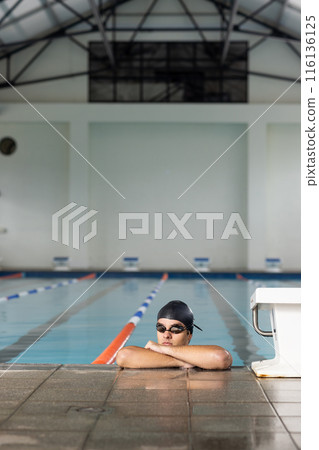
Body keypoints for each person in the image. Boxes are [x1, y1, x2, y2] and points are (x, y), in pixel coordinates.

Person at [116, 300, 232, 370]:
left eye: (176, 329)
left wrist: (162, 349)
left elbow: (221, 357)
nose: (166, 335)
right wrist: (186, 361)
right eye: (161, 328)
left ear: (189, 335)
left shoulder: (149, 354)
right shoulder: (200, 358)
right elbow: (123, 356)